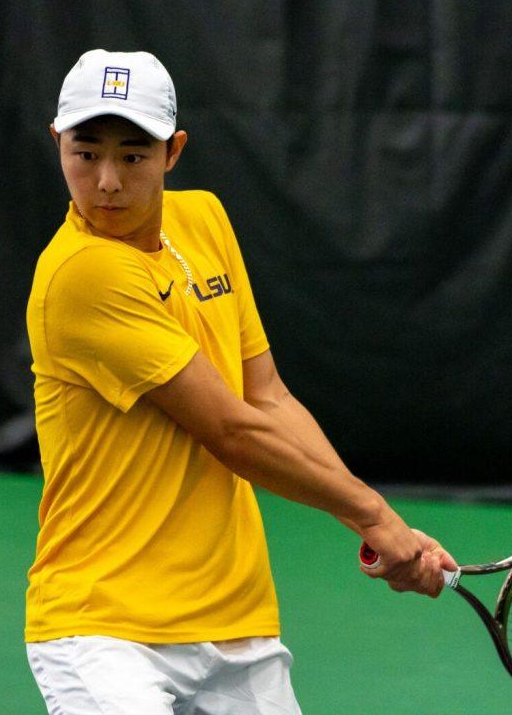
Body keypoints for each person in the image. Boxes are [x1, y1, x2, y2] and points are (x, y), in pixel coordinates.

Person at [24, 48, 456, 714]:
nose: (106, 180)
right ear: (58, 142)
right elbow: (230, 431)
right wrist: (371, 511)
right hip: (104, 627)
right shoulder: (83, 275)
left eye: (133, 156)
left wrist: (375, 525)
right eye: (86, 153)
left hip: (235, 623)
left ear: (174, 152)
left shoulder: (204, 222)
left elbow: (268, 398)